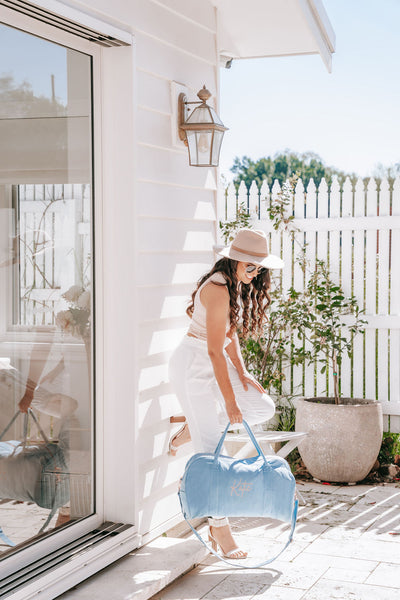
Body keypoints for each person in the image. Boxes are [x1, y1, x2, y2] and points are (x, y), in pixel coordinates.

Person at [168, 228, 284, 559]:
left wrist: (243, 372)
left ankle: (194, 423)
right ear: (235, 260)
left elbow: (228, 335)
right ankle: (220, 528)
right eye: (251, 266)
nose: (256, 273)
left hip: (213, 360)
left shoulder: (230, 283)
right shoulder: (218, 289)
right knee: (211, 454)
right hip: (193, 366)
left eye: (259, 268)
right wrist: (230, 403)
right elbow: (214, 352)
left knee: (262, 407)